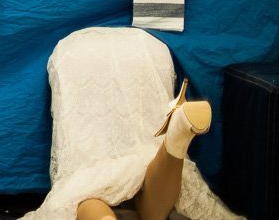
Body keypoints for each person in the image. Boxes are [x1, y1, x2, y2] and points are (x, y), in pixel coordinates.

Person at [24, 27, 237, 220]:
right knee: (150, 202)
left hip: (88, 163)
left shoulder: (68, 50)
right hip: (147, 165)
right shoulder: (150, 46)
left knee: (84, 196)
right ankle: (174, 141)